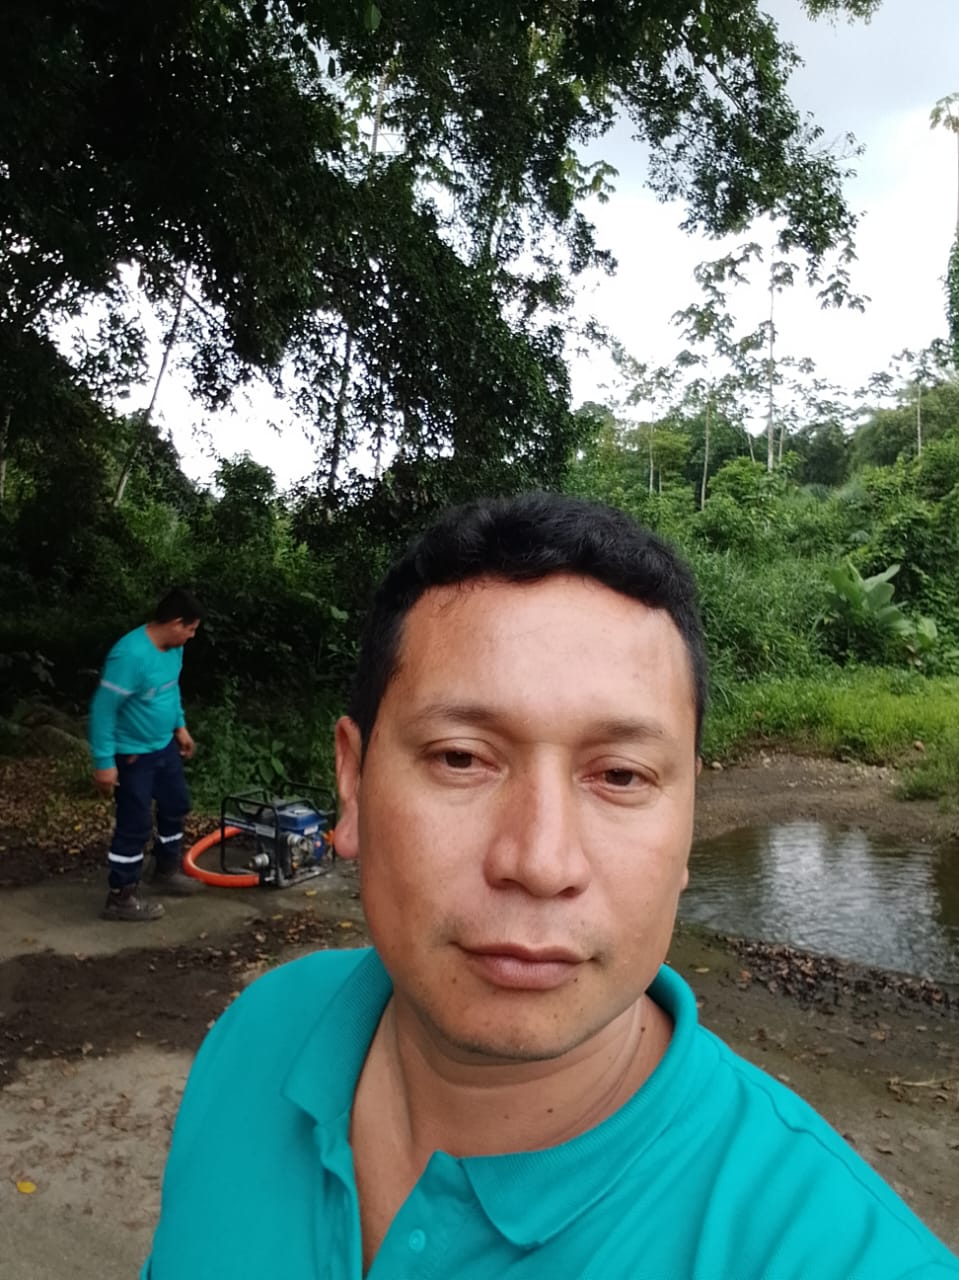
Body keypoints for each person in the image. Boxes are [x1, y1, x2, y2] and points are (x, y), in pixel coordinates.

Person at [143, 496, 958, 1278]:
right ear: (352, 784)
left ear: (687, 820)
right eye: (461, 758)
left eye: (620, 775)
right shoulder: (259, 1032)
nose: (539, 862)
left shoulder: (827, 1254)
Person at [89, 587, 203, 922]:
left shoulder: (174, 649)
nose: (192, 636)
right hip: (133, 754)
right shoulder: (129, 656)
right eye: (191, 629)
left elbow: (170, 689)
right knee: (135, 823)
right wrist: (104, 762)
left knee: (176, 804)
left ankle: (166, 869)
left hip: (163, 746)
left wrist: (180, 726)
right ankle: (121, 895)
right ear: (176, 623)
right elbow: (103, 710)